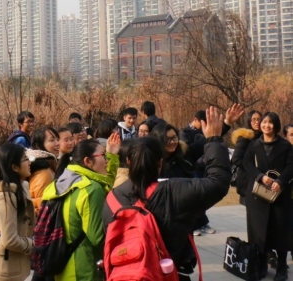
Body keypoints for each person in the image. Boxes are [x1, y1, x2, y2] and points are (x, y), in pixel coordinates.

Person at [103, 107, 231, 281]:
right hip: (169, 272)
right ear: (160, 162)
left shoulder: (112, 198)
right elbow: (218, 183)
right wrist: (214, 140)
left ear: (128, 161)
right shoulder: (173, 191)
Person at [40, 137, 121, 281]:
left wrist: (112, 156)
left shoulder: (63, 182)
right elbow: (98, 238)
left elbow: (102, 182)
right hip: (84, 269)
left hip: (62, 265)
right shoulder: (91, 189)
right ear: (87, 161)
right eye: (103, 156)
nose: (106, 161)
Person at [243, 112, 293, 281]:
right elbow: (246, 163)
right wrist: (260, 176)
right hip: (258, 195)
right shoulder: (254, 144)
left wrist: (281, 181)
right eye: (264, 122)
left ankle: (281, 267)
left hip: (280, 195)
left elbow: (291, 166)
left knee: (281, 231)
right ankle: (262, 264)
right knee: (259, 231)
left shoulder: (285, 146)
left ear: (276, 126)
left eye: (271, 123)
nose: (266, 125)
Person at [0, 144, 35, 281]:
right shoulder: (5, 197)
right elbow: (9, 239)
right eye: (25, 159)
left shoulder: (18, 188)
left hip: (13, 263)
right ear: (14, 167)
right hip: (6, 267)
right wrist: (34, 244)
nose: (29, 162)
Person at [28, 127, 60, 213]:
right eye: (52, 140)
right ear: (38, 145)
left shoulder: (49, 165)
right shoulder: (43, 173)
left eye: (58, 139)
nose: (58, 143)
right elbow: (42, 207)